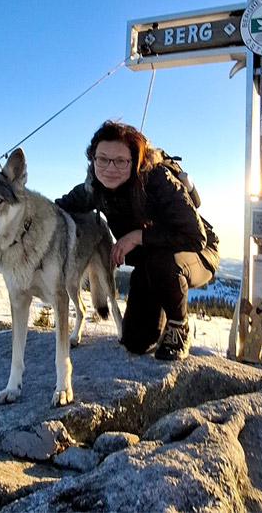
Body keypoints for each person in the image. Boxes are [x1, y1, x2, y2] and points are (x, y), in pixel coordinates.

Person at [56, 120, 219, 361]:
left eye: (120, 161)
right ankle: (161, 314)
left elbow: (194, 237)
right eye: (102, 159)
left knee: (162, 260)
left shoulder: (157, 180)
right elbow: (57, 209)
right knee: (135, 341)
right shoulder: (95, 189)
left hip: (195, 253)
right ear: (93, 160)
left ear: (134, 161)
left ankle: (179, 325)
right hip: (150, 263)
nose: (110, 168)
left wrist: (138, 236)